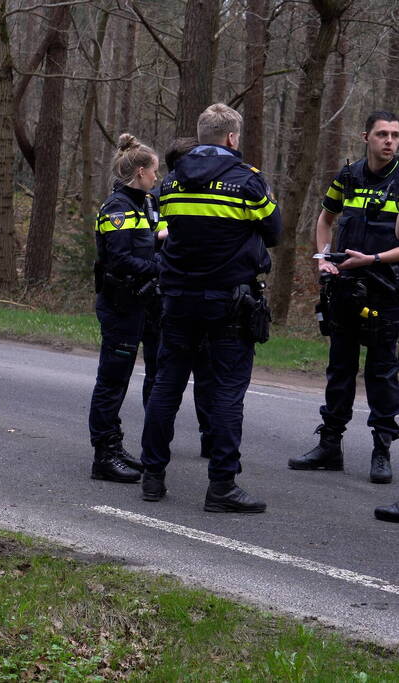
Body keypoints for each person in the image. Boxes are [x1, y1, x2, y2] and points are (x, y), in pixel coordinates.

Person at [139, 103, 281, 511]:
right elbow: (274, 232)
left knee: (166, 385)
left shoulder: (171, 183)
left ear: (202, 137)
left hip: (178, 299)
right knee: (225, 392)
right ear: (232, 138)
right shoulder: (248, 183)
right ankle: (221, 486)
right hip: (228, 302)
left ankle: (152, 477)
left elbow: (171, 230)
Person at [289, 111, 399, 485]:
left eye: (395, 136)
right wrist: (323, 261)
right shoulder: (347, 176)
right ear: (365, 136)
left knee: (382, 374)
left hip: (386, 290)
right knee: (339, 369)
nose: (390, 141)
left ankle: (381, 449)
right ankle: (329, 445)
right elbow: (324, 220)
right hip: (345, 288)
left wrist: (373, 259)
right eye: (382, 134)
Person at [88, 134, 161, 483]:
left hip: (140, 304)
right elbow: (119, 259)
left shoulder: (144, 204)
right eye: (155, 172)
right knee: (113, 380)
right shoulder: (117, 207)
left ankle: (115, 446)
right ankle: (104, 454)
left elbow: (149, 245)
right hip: (120, 305)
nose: (157, 178)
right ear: (141, 171)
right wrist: (160, 268)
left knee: (124, 378)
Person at [157, 137, 216, 461]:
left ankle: (206, 439)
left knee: (192, 378)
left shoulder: (185, 195)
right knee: (170, 381)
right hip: (183, 296)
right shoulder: (168, 194)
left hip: (182, 296)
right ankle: (156, 454)